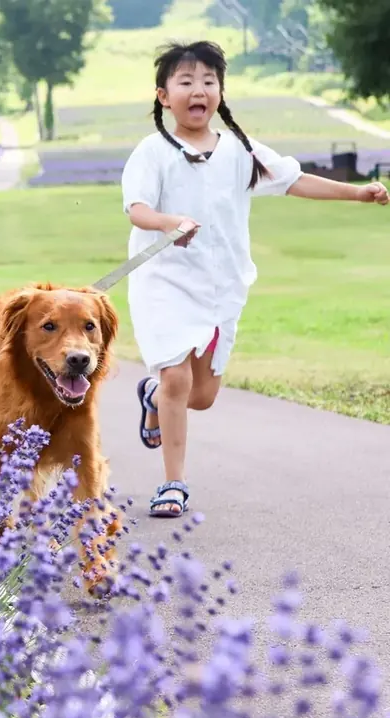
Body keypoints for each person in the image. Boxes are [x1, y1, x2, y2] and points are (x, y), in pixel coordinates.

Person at [121, 40, 388, 518]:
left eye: (208, 81)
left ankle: (153, 397)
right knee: (177, 377)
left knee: (201, 397)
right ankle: (173, 484)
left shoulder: (240, 150)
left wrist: (358, 194)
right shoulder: (152, 151)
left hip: (222, 286)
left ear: (220, 92)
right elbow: (138, 209)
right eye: (186, 82)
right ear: (163, 95)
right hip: (164, 281)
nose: (198, 90)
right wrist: (168, 222)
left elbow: (294, 180)